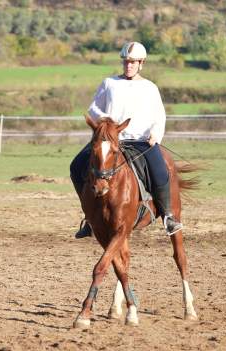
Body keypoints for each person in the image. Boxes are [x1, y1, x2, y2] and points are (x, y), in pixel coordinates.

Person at [69, 41, 183, 238]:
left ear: (141, 63)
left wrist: (156, 134)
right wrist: (105, 120)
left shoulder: (149, 87)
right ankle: (89, 217)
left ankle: (168, 216)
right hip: (111, 141)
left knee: (160, 172)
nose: (128, 65)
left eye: (133, 62)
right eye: (126, 62)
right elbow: (93, 109)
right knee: (76, 165)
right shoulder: (109, 83)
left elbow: (159, 115)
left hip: (140, 142)